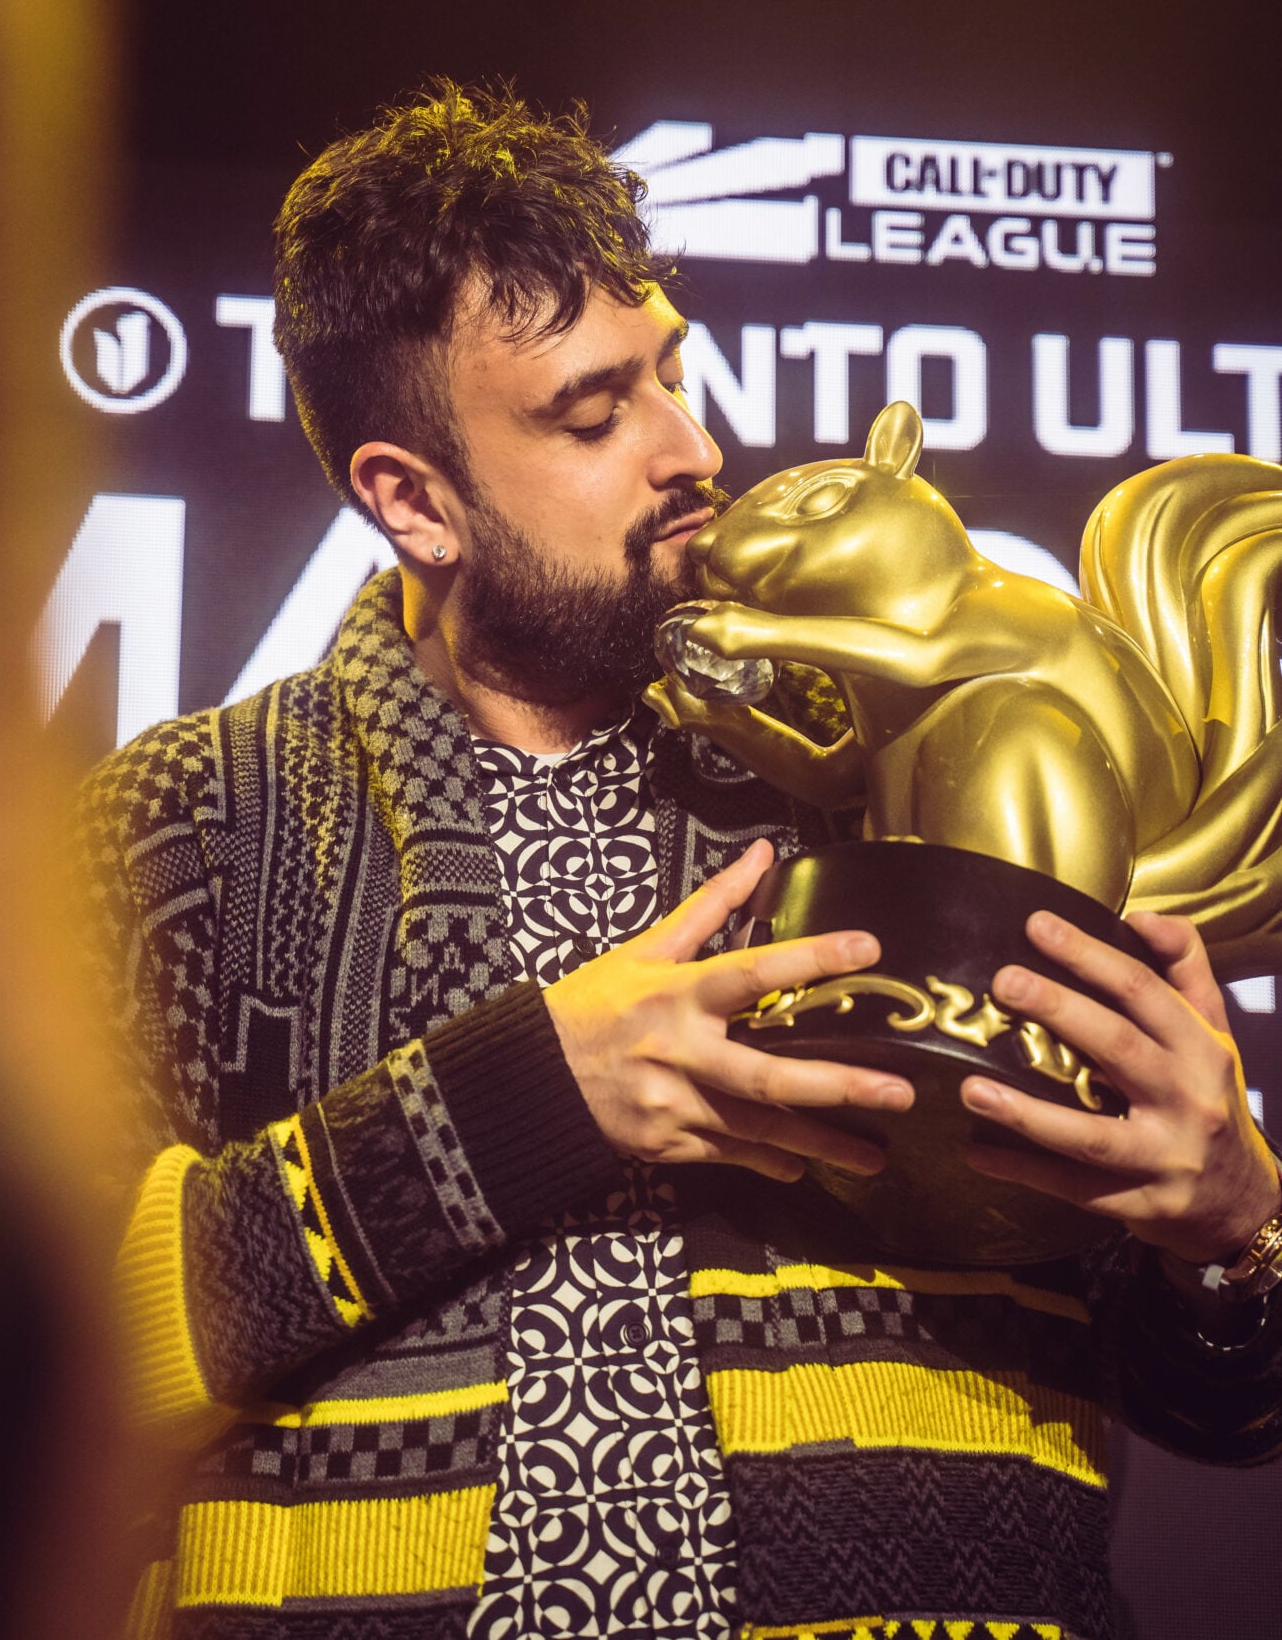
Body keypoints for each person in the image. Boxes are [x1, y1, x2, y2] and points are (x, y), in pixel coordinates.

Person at [85, 82, 1282, 1640]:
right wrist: (532, 1095)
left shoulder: (892, 754)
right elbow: (32, 1391)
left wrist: (1230, 1227)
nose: (691, 448)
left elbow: (1222, 1403)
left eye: (672, 373)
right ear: (410, 499)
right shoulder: (191, 825)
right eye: (593, 415)